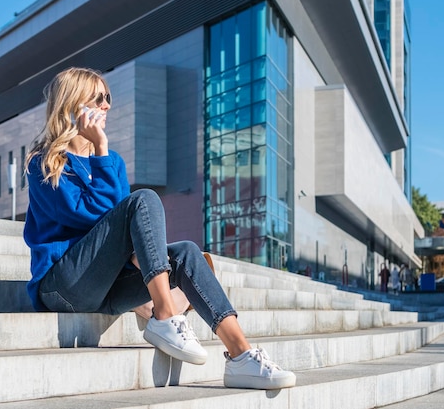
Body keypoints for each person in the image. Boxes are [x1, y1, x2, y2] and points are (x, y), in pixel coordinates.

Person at [23, 67, 295, 390]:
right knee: (144, 200)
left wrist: (102, 155)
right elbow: (92, 215)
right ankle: (165, 314)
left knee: (186, 254)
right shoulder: (45, 162)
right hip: (63, 285)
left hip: (104, 288)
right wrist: (100, 150)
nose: (107, 105)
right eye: (99, 98)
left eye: (108, 97)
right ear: (73, 105)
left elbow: (126, 231)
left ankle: (241, 355)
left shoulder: (113, 163)